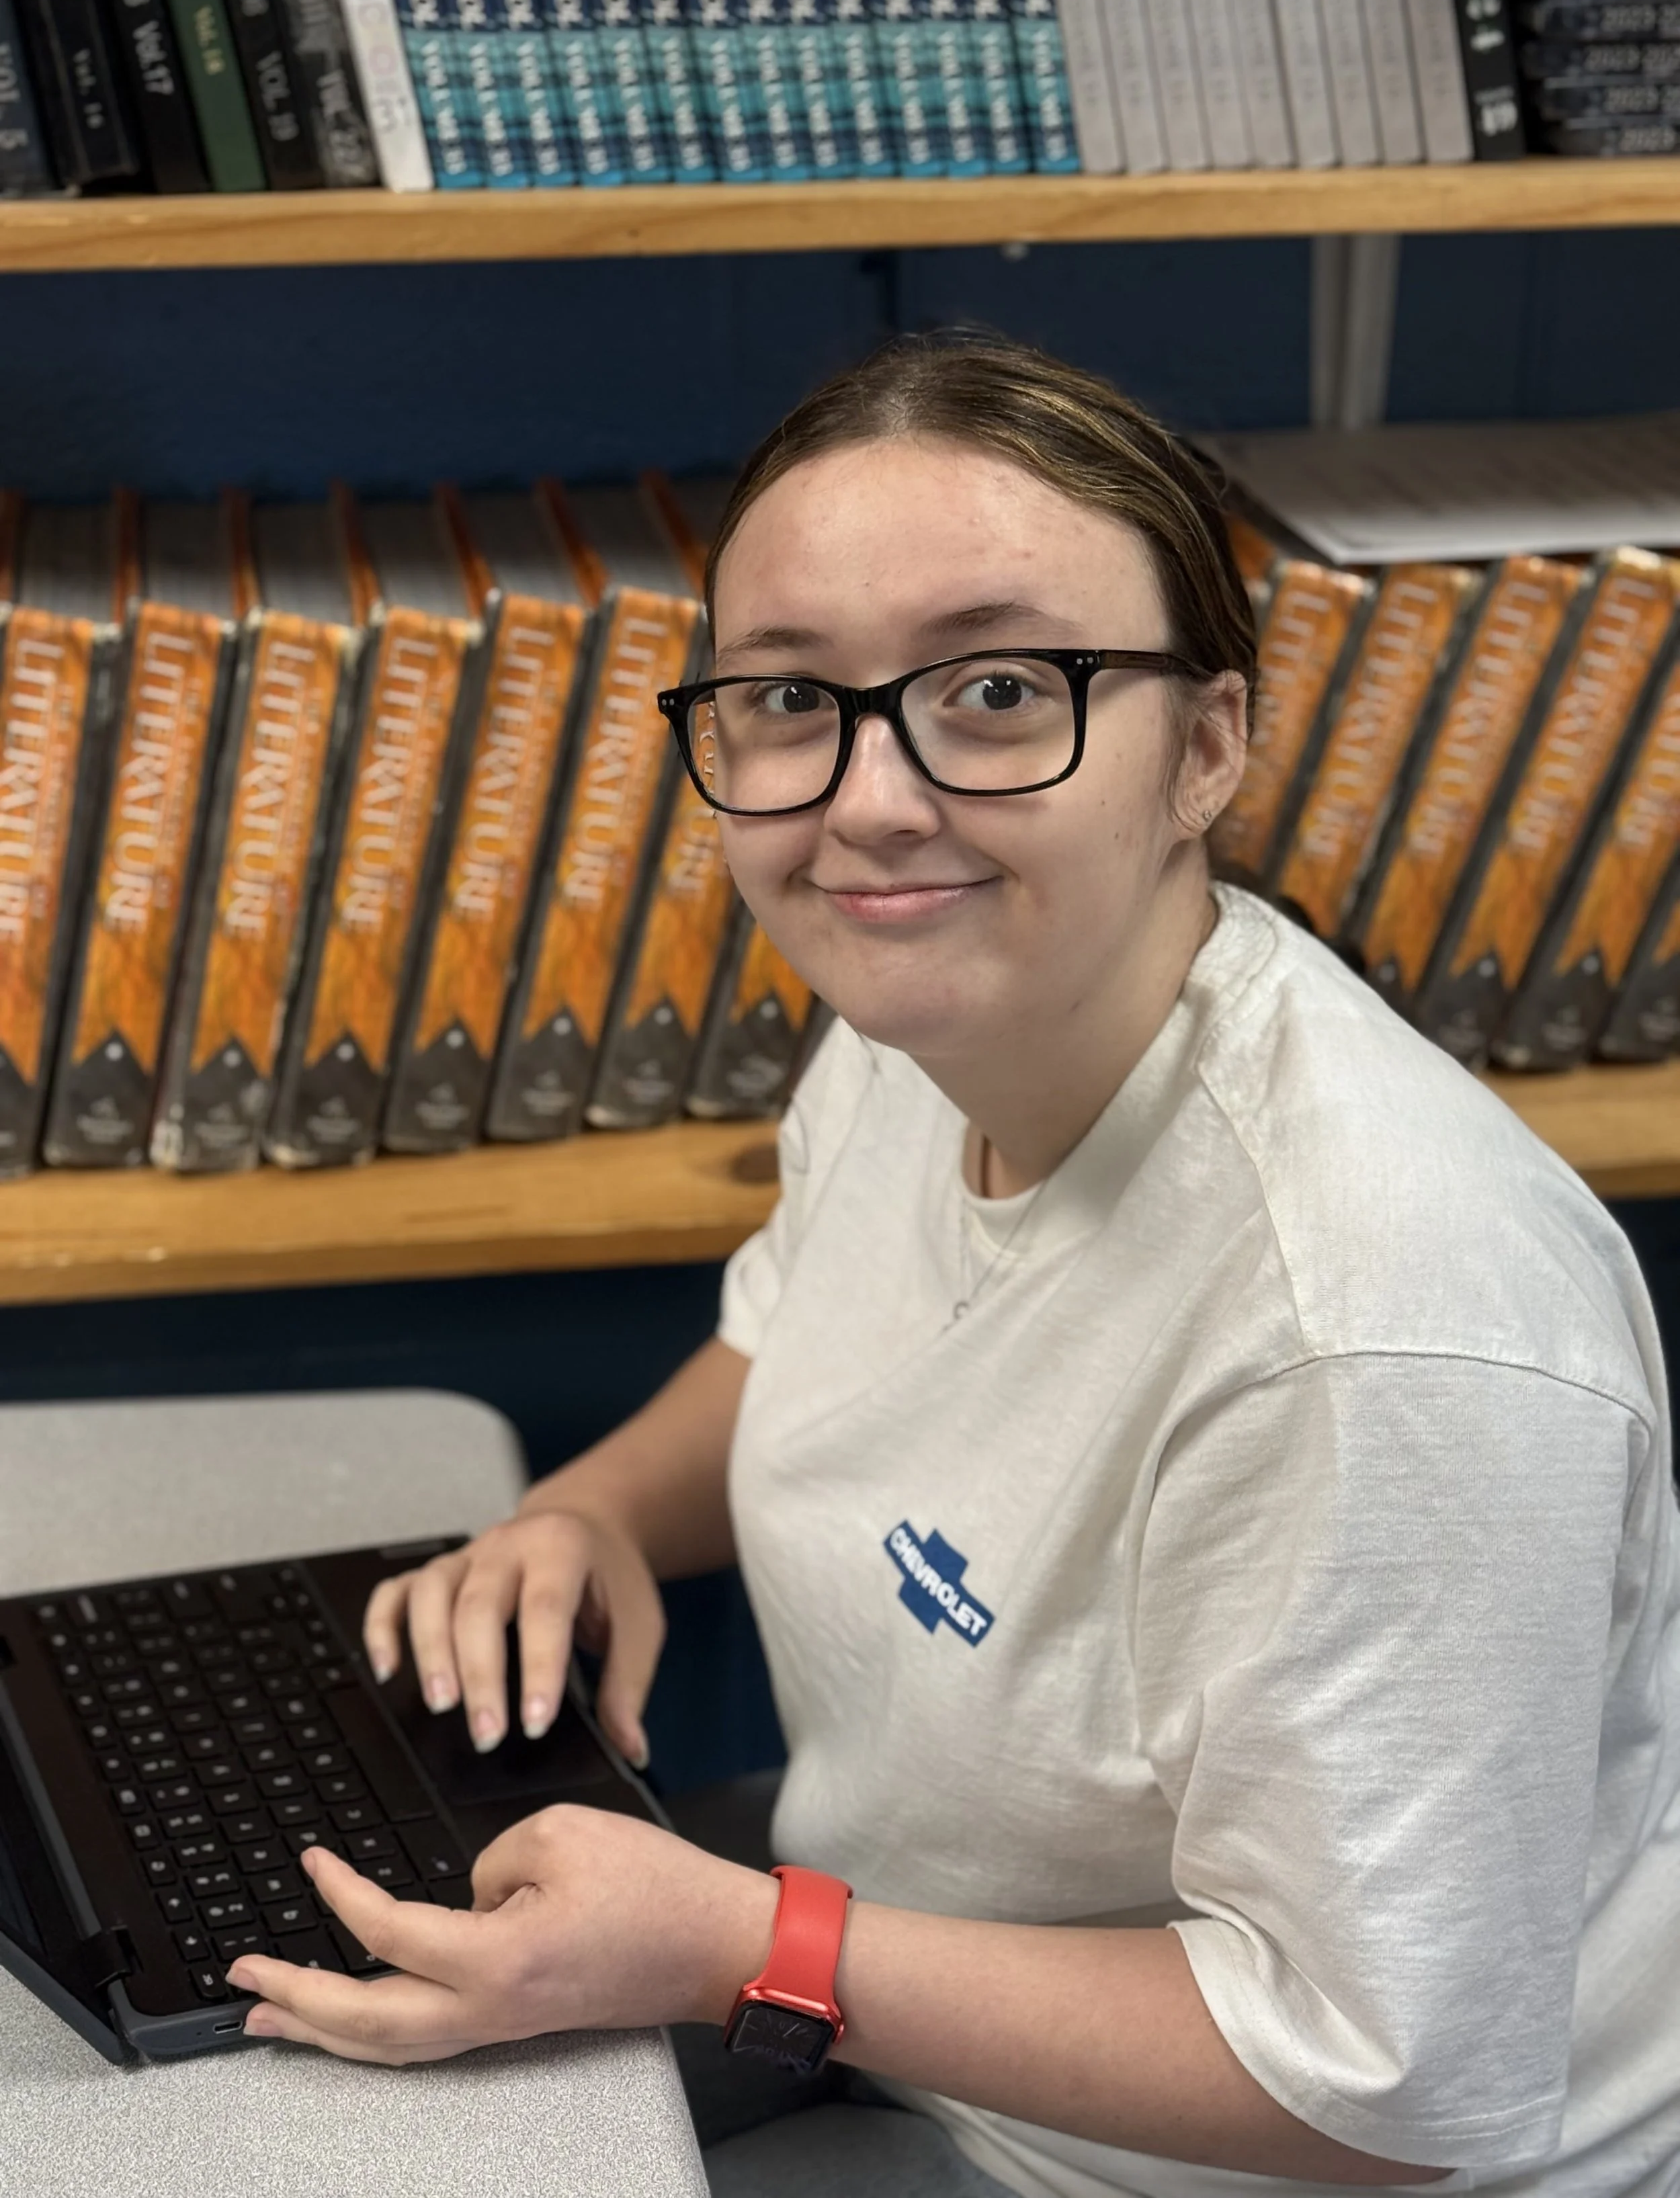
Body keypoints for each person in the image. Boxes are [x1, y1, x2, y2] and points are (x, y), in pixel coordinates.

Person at [228, 333, 1680, 2198]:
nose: (871, 800)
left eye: (995, 689)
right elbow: (810, 1335)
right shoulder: (930, 1026)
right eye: (785, 698)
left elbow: (1382, 2085)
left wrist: (739, 1944)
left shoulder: (1381, 1329)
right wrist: (589, 1512)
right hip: (886, 1972)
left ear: (1206, 744)